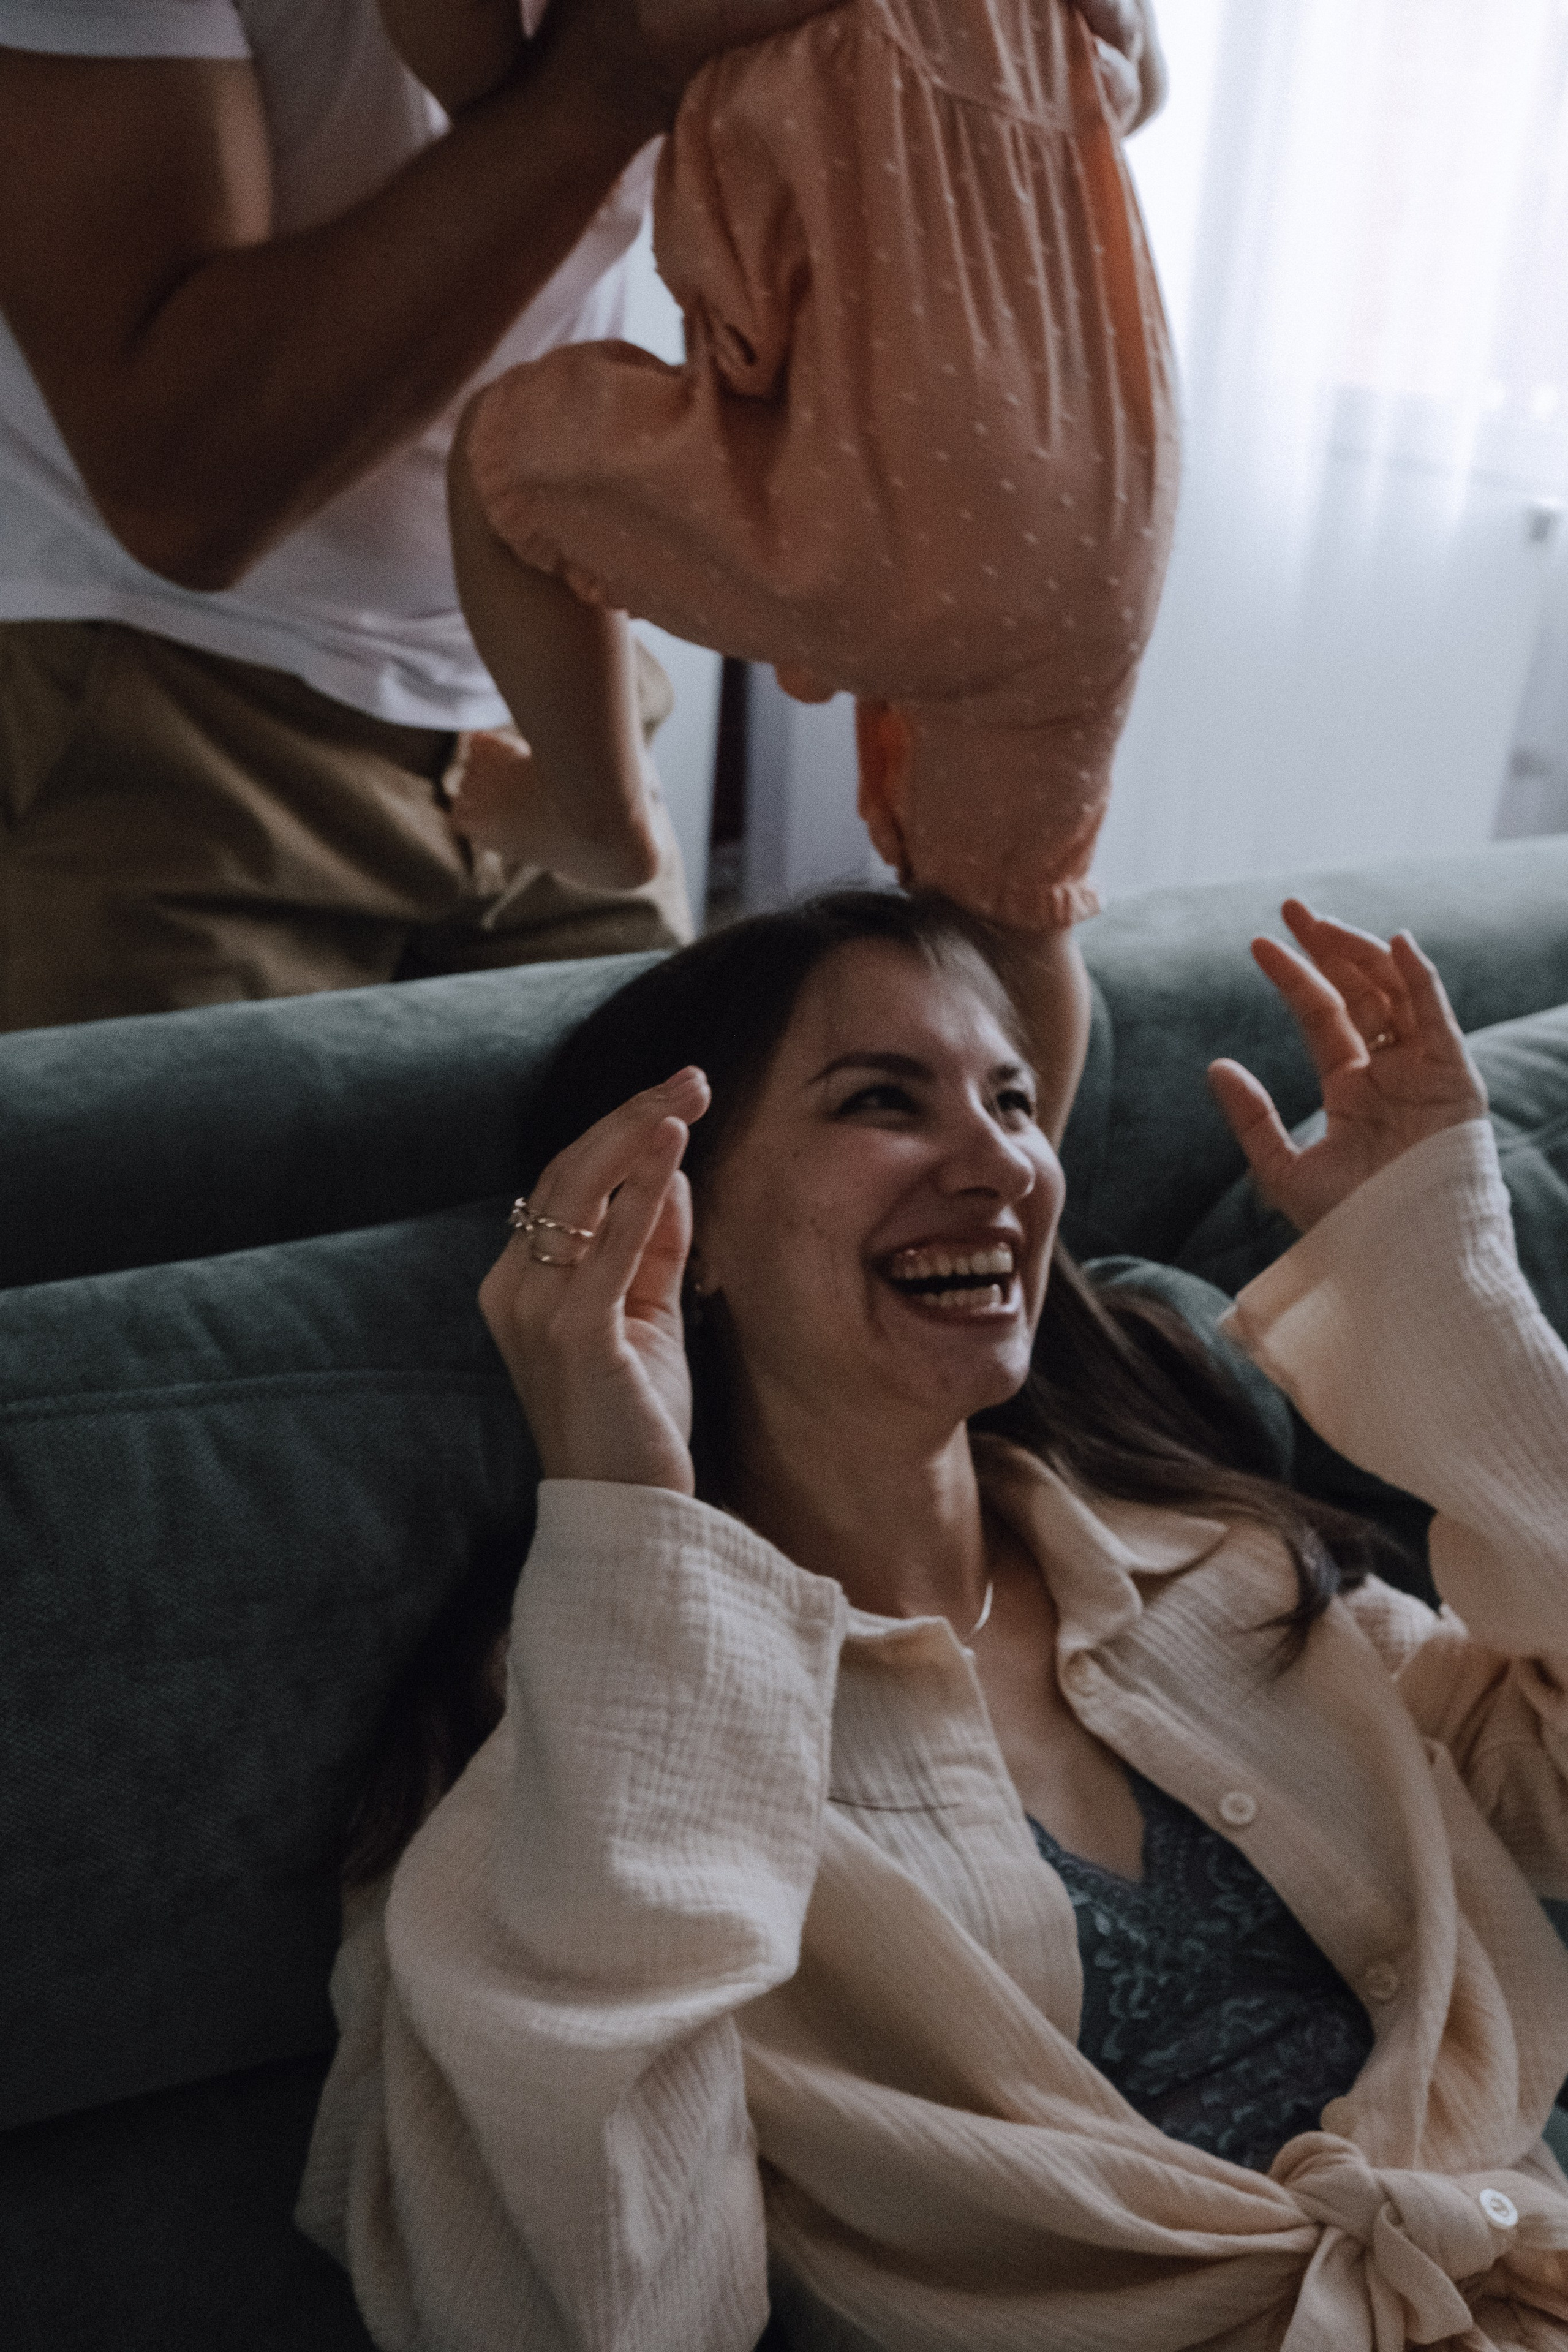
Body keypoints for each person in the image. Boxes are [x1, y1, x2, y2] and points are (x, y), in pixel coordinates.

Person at [298, 886, 1568, 2350]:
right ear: (676, 1230)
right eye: (882, 1102)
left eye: (1014, 1101)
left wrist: (1443, 1274)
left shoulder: (1223, 1576)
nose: (999, 1163)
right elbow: (589, 2303)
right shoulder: (587, 1757)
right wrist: (627, 1518)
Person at [382, 0, 1175, 1139]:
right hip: (1102, 495)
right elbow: (1133, 84)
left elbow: (475, 74)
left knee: (510, 472)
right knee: (1010, 914)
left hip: (892, 485)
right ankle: (1018, 1267)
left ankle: (596, 812)